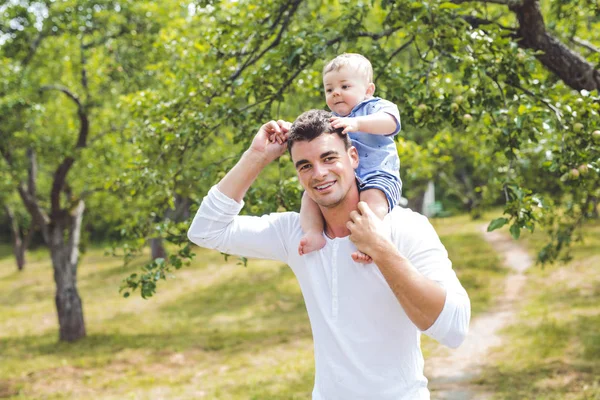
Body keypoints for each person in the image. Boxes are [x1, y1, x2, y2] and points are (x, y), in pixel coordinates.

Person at [188, 110, 470, 399]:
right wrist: (256, 156)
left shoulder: (404, 227)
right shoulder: (297, 236)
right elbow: (206, 231)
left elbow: (455, 328)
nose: (319, 174)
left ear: (354, 157)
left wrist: (381, 249)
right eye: (305, 166)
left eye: (328, 158)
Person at [297, 53, 403, 263]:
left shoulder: (375, 107)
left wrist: (358, 124)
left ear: (368, 90)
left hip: (378, 174)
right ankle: (313, 233)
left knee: (371, 203)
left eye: (345, 87)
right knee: (309, 197)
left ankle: (373, 242)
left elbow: (390, 123)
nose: (336, 93)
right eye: (329, 89)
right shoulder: (331, 119)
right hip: (347, 180)